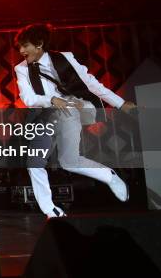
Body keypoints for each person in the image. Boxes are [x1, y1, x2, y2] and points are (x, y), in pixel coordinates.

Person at [14, 24, 137, 218]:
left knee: (69, 162)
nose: (21, 51)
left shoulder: (65, 58)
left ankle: (109, 176)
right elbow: (27, 98)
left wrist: (120, 103)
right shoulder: (21, 69)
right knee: (34, 163)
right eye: (19, 46)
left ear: (39, 44)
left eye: (25, 45)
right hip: (45, 115)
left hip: (69, 111)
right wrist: (51, 99)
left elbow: (91, 83)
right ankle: (51, 211)